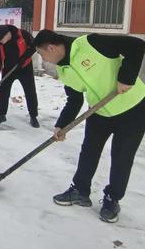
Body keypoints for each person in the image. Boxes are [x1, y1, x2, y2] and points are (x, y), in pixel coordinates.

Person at [33, 29, 145, 223]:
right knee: (89, 151)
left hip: (132, 109)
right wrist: (62, 125)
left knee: (121, 156)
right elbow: (74, 99)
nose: (44, 59)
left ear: (51, 47)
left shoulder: (91, 43)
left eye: (42, 54)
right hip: (99, 111)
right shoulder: (64, 70)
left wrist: (126, 77)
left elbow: (136, 45)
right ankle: (80, 191)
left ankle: (112, 199)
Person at [0, 25, 39, 128]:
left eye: (1, 39)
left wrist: (25, 57)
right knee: (4, 92)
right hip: (8, 69)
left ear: (8, 34)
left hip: (25, 67)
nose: (0, 41)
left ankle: (33, 116)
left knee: (30, 91)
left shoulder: (23, 34)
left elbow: (35, 45)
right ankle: (2, 115)